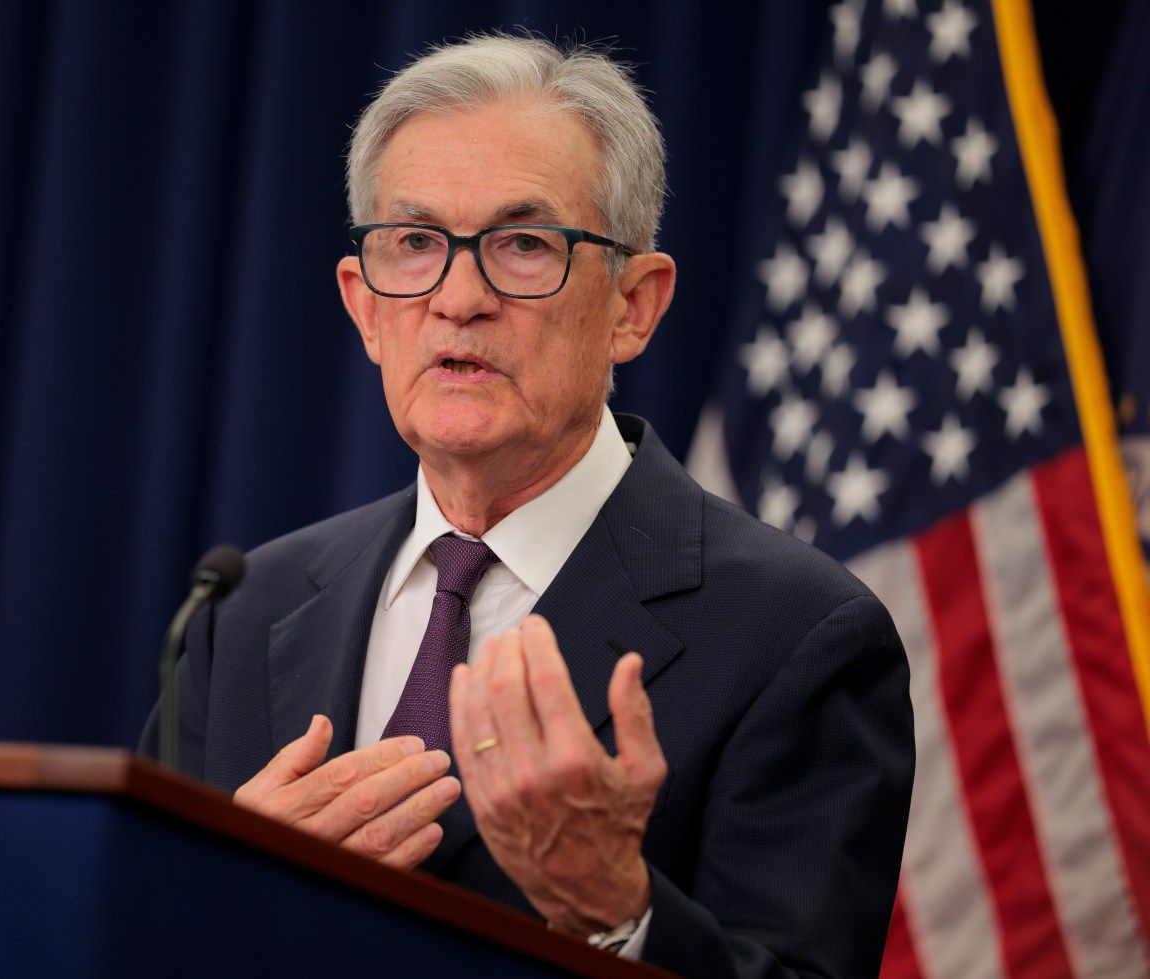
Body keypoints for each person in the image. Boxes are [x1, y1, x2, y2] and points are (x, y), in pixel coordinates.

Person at [143, 33, 913, 977]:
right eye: (416, 242)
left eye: (522, 245)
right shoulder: (243, 608)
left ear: (634, 304)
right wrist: (203, 895)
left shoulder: (795, 634)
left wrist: (613, 910)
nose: (457, 297)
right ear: (364, 306)